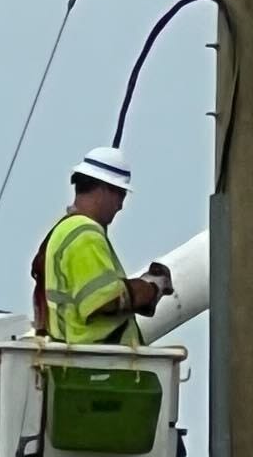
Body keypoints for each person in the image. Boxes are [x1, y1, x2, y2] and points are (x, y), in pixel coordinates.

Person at [33, 149, 170, 349]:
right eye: (121, 194)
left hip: (79, 356)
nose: (120, 205)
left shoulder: (66, 230)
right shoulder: (85, 235)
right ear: (104, 189)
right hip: (96, 360)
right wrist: (150, 288)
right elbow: (103, 299)